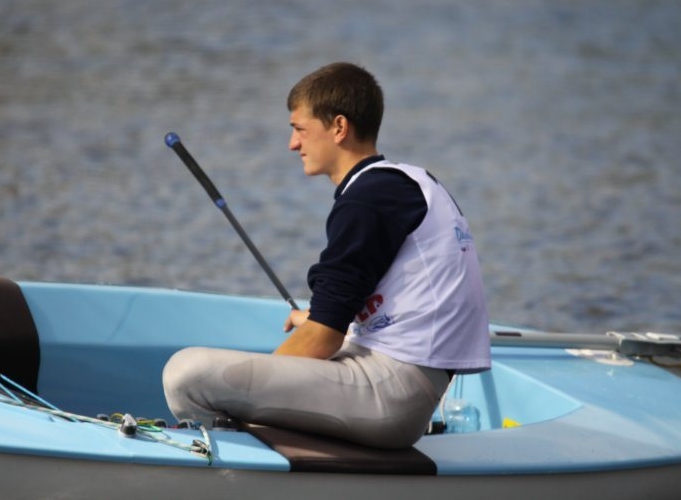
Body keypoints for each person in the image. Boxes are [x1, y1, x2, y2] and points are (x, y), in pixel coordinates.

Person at [162, 62, 491, 449]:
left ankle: (238, 458)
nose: (293, 144)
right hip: (405, 379)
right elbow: (400, 299)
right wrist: (318, 320)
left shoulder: (368, 200)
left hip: (394, 394)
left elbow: (323, 338)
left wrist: (254, 388)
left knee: (186, 374)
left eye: (300, 129)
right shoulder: (402, 182)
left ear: (338, 127)